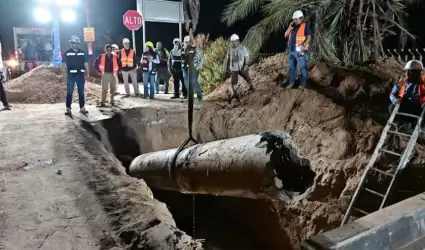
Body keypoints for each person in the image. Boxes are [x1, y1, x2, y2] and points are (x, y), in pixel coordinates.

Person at [389, 60, 425, 131]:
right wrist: (395, 100)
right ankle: (404, 123)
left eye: (410, 71)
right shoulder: (402, 82)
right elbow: (392, 94)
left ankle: (422, 127)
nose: (407, 73)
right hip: (406, 106)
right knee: (391, 107)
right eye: (406, 71)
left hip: (419, 108)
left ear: (418, 72)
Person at [283, 10, 312, 89]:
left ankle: (303, 83)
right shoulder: (293, 26)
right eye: (294, 19)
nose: (294, 21)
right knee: (292, 67)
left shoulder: (305, 26)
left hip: (300, 50)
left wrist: (303, 45)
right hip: (292, 50)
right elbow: (285, 35)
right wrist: (289, 27)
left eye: (296, 19)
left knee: (302, 67)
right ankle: (292, 82)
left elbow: (309, 37)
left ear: (301, 18)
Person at [62, 35, 89, 115]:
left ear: (78, 44)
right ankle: (68, 108)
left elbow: (86, 63)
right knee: (69, 92)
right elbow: (63, 65)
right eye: (73, 43)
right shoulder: (67, 53)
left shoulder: (82, 53)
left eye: (77, 43)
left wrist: (88, 72)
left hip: (80, 75)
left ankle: (82, 107)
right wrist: (64, 75)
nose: (75, 44)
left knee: (81, 92)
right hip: (71, 75)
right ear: (71, 43)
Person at [222, 34, 254, 101]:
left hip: (242, 67)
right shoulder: (230, 50)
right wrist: (225, 69)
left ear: (238, 41)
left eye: (235, 41)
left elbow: (247, 57)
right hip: (234, 69)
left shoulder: (243, 48)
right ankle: (236, 95)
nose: (233, 43)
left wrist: (246, 65)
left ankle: (251, 87)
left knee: (247, 77)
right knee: (234, 82)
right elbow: (226, 59)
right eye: (232, 41)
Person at [182, 30, 204, 101]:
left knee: (194, 82)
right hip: (185, 68)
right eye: (185, 42)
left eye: (188, 42)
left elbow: (201, 58)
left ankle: (199, 95)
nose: (187, 43)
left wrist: (199, 67)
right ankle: (190, 96)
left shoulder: (197, 49)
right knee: (186, 83)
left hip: (194, 68)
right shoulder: (182, 50)